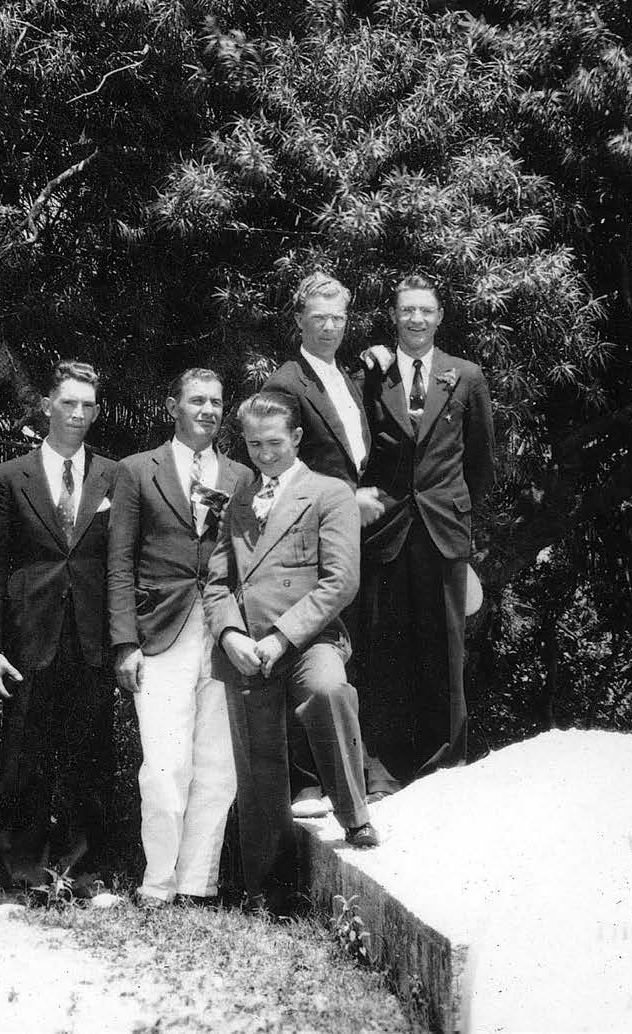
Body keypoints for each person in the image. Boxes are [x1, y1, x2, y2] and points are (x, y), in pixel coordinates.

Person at [205, 392, 377, 911]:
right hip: (246, 649)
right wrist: (230, 635)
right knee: (258, 766)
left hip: (306, 639)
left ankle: (355, 812)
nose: (264, 454)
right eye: (254, 444)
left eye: (274, 443)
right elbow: (216, 580)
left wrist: (283, 636)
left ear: (298, 438)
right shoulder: (238, 498)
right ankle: (269, 892)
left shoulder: (330, 493)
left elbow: (340, 581)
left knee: (327, 691)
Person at [107, 369, 250, 906]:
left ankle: (198, 884)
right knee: (165, 764)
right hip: (158, 631)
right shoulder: (136, 471)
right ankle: (159, 883)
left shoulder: (241, 474)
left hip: (223, 631)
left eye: (216, 401)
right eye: (197, 400)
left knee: (217, 766)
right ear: (173, 405)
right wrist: (125, 641)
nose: (208, 410)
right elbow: (119, 562)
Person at [0, 360, 118, 891]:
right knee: (24, 762)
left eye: (87, 405)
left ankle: (89, 876)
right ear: (46, 406)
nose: (77, 414)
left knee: (91, 760)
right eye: (68, 403)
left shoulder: (114, 474)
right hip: (28, 638)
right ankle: (21, 878)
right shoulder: (8, 476)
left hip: (91, 638)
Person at [358, 273, 496, 791]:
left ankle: (443, 766)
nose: (416, 318)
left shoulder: (466, 376)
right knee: (387, 650)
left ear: (440, 317)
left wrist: (457, 515)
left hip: (443, 531)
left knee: (444, 649)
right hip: (388, 532)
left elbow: (481, 462)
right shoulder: (374, 374)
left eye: (426, 310)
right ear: (394, 316)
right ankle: (384, 772)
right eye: (407, 309)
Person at [264, 272, 389, 816]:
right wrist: (343, 499)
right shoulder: (285, 383)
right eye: (320, 317)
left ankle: (361, 768)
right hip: (312, 535)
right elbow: (278, 463)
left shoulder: (344, 373)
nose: (331, 327)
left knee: (353, 648)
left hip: (359, 532)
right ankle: (310, 779)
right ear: (299, 322)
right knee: (314, 655)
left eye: (339, 317)